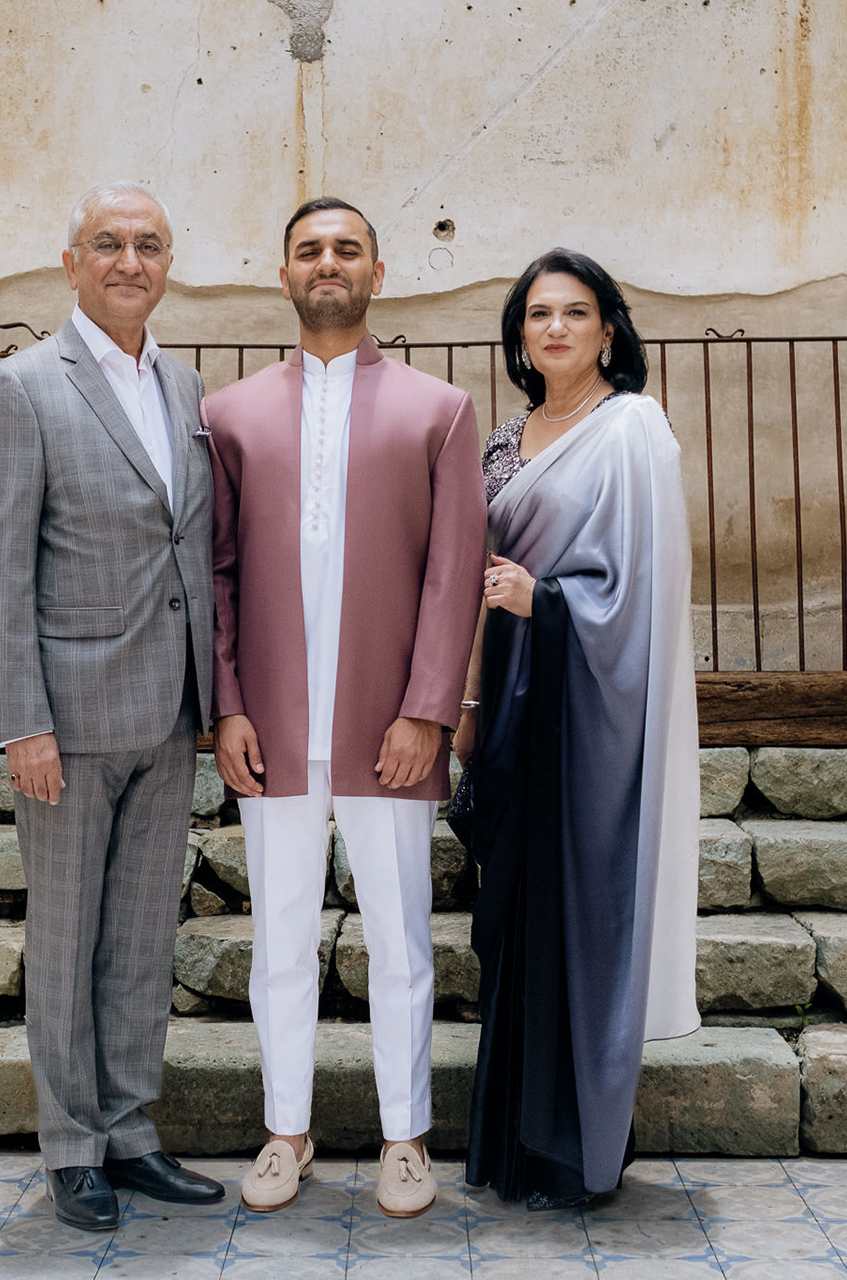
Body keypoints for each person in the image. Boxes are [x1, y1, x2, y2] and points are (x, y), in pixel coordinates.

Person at [205, 197, 487, 1219]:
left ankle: (406, 1138)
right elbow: (216, 573)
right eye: (309, 250)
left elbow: (454, 572)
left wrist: (429, 711)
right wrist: (228, 706)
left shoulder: (439, 411)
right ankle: (287, 1131)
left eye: (347, 249)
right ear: (282, 274)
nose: (328, 262)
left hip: (389, 726)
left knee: (401, 938)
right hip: (272, 727)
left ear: (378, 272)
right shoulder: (229, 415)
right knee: (278, 939)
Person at [0, 180, 224, 1231]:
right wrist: (23, 720)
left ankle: (129, 1128)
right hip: (67, 723)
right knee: (67, 938)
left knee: (141, 939)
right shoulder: (22, 388)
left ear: (167, 266)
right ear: (72, 264)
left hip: (169, 713)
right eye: (108, 243)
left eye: (148, 244)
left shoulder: (187, 385)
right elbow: (0, 569)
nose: (130, 260)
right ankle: (72, 1145)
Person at [455, 248, 700, 1209]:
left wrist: (546, 600)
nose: (555, 327)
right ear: (520, 335)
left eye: (575, 312)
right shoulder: (503, 441)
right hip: (512, 712)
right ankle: (513, 1143)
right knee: (509, 920)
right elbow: (471, 578)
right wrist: (470, 703)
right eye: (538, 314)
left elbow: (643, 592)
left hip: (590, 717)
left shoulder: (632, 428)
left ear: (607, 330)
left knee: (581, 916)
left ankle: (575, 1151)